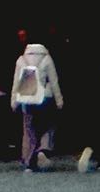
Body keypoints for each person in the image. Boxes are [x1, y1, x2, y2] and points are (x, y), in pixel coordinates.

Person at [11, 35, 63, 172]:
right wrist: (59, 100)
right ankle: (43, 150)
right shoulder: (47, 58)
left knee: (29, 130)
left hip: (27, 98)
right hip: (45, 98)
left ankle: (29, 162)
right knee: (49, 125)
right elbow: (54, 81)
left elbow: (16, 83)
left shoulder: (21, 60)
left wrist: (13, 102)